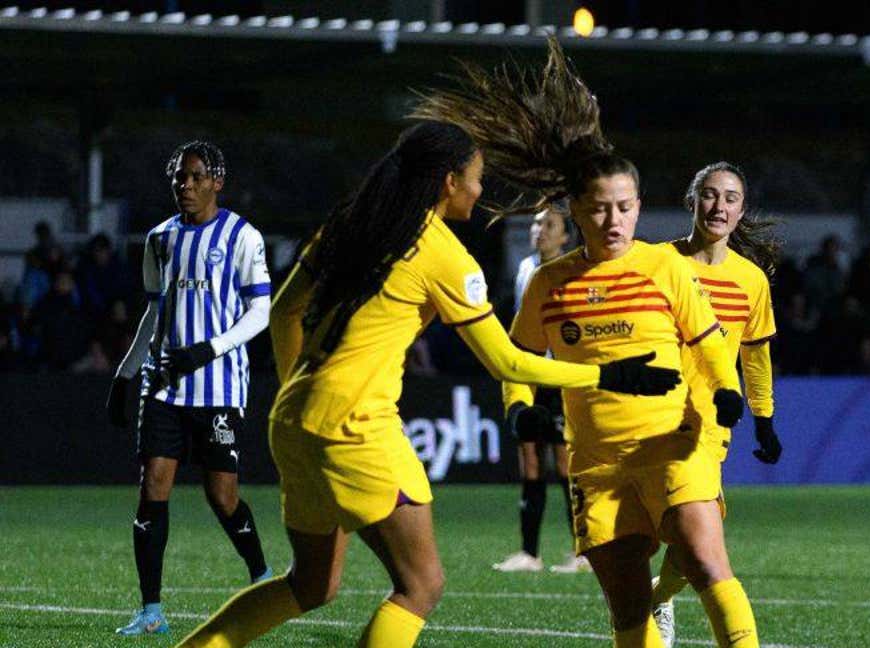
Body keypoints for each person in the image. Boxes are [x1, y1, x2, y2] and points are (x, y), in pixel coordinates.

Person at [173, 119, 678, 648]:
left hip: (292, 421)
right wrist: (611, 374)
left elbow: (283, 315)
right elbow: (509, 362)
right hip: (355, 428)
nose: (482, 191)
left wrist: (299, 393)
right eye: (477, 178)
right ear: (448, 182)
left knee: (311, 584)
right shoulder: (441, 253)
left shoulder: (352, 221)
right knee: (421, 585)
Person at [412, 40, 761, 648]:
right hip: (596, 463)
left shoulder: (665, 267)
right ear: (576, 210)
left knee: (707, 565)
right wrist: (519, 407)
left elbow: (709, 341)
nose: (615, 221)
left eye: (625, 207)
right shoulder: (550, 283)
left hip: (672, 444)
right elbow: (517, 361)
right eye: (600, 210)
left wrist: (729, 392)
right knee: (628, 608)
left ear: (639, 206)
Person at [106, 141, 273, 635]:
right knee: (153, 485)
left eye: (197, 177)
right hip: (162, 386)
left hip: (218, 387)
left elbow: (260, 312)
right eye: (180, 177)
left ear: (217, 182)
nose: (187, 185)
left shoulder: (243, 237)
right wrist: (125, 372)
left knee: (222, 496)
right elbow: (155, 312)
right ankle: (151, 609)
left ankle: (262, 577)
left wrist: (209, 349)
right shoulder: (159, 238)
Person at [650, 161, 783, 647]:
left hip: (707, 426)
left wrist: (764, 418)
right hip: (648, 416)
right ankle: (652, 599)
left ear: (742, 210)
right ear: (691, 201)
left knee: (698, 534)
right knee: (667, 534)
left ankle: (658, 597)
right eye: (709, 195)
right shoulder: (658, 263)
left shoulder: (751, 281)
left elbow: (757, 355)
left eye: (730, 198)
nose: (719, 206)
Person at [492, 203, 591, 574]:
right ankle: (529, 553)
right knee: (530, 463)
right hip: (528, 378)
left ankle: (582, 551)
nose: (540, 231)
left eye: (549, 225)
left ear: (565, 236)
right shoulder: (525, 268)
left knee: (566, 465)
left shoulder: (569, 272)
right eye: (537, 224)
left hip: (558, 377)